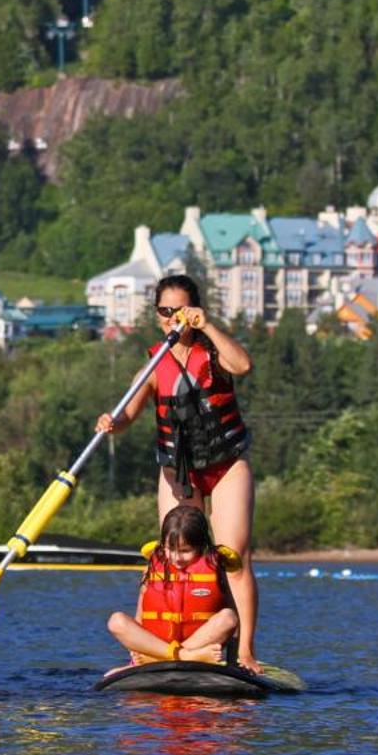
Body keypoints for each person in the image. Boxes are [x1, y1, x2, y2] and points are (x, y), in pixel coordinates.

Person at [94, 274, 261, 667]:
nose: (174, 319)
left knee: (232, 557)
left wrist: (208, 326)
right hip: (177, 473)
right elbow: (127, 416)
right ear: (157, 315)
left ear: (195, 310)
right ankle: (153, 650)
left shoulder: (213, 351)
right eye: (165, 312)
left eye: (181, 311)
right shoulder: (153, 365)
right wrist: (111, 423)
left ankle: (247, 651)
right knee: (169, 557)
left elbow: (243, 364)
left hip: (225, 466)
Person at [107, 505, 238, 666]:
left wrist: (234, 661)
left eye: (185, 550)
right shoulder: (153, 567)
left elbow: (233, 619)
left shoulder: (215, 567)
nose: (176, 557)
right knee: (116, 621)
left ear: (200, 545)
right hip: (159, 646)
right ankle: (185, 656)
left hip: (199, 643)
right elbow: (140, 616)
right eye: (170, 549)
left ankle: (161, 658)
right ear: (163, 544)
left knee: (229, 617)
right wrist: (133, 660)